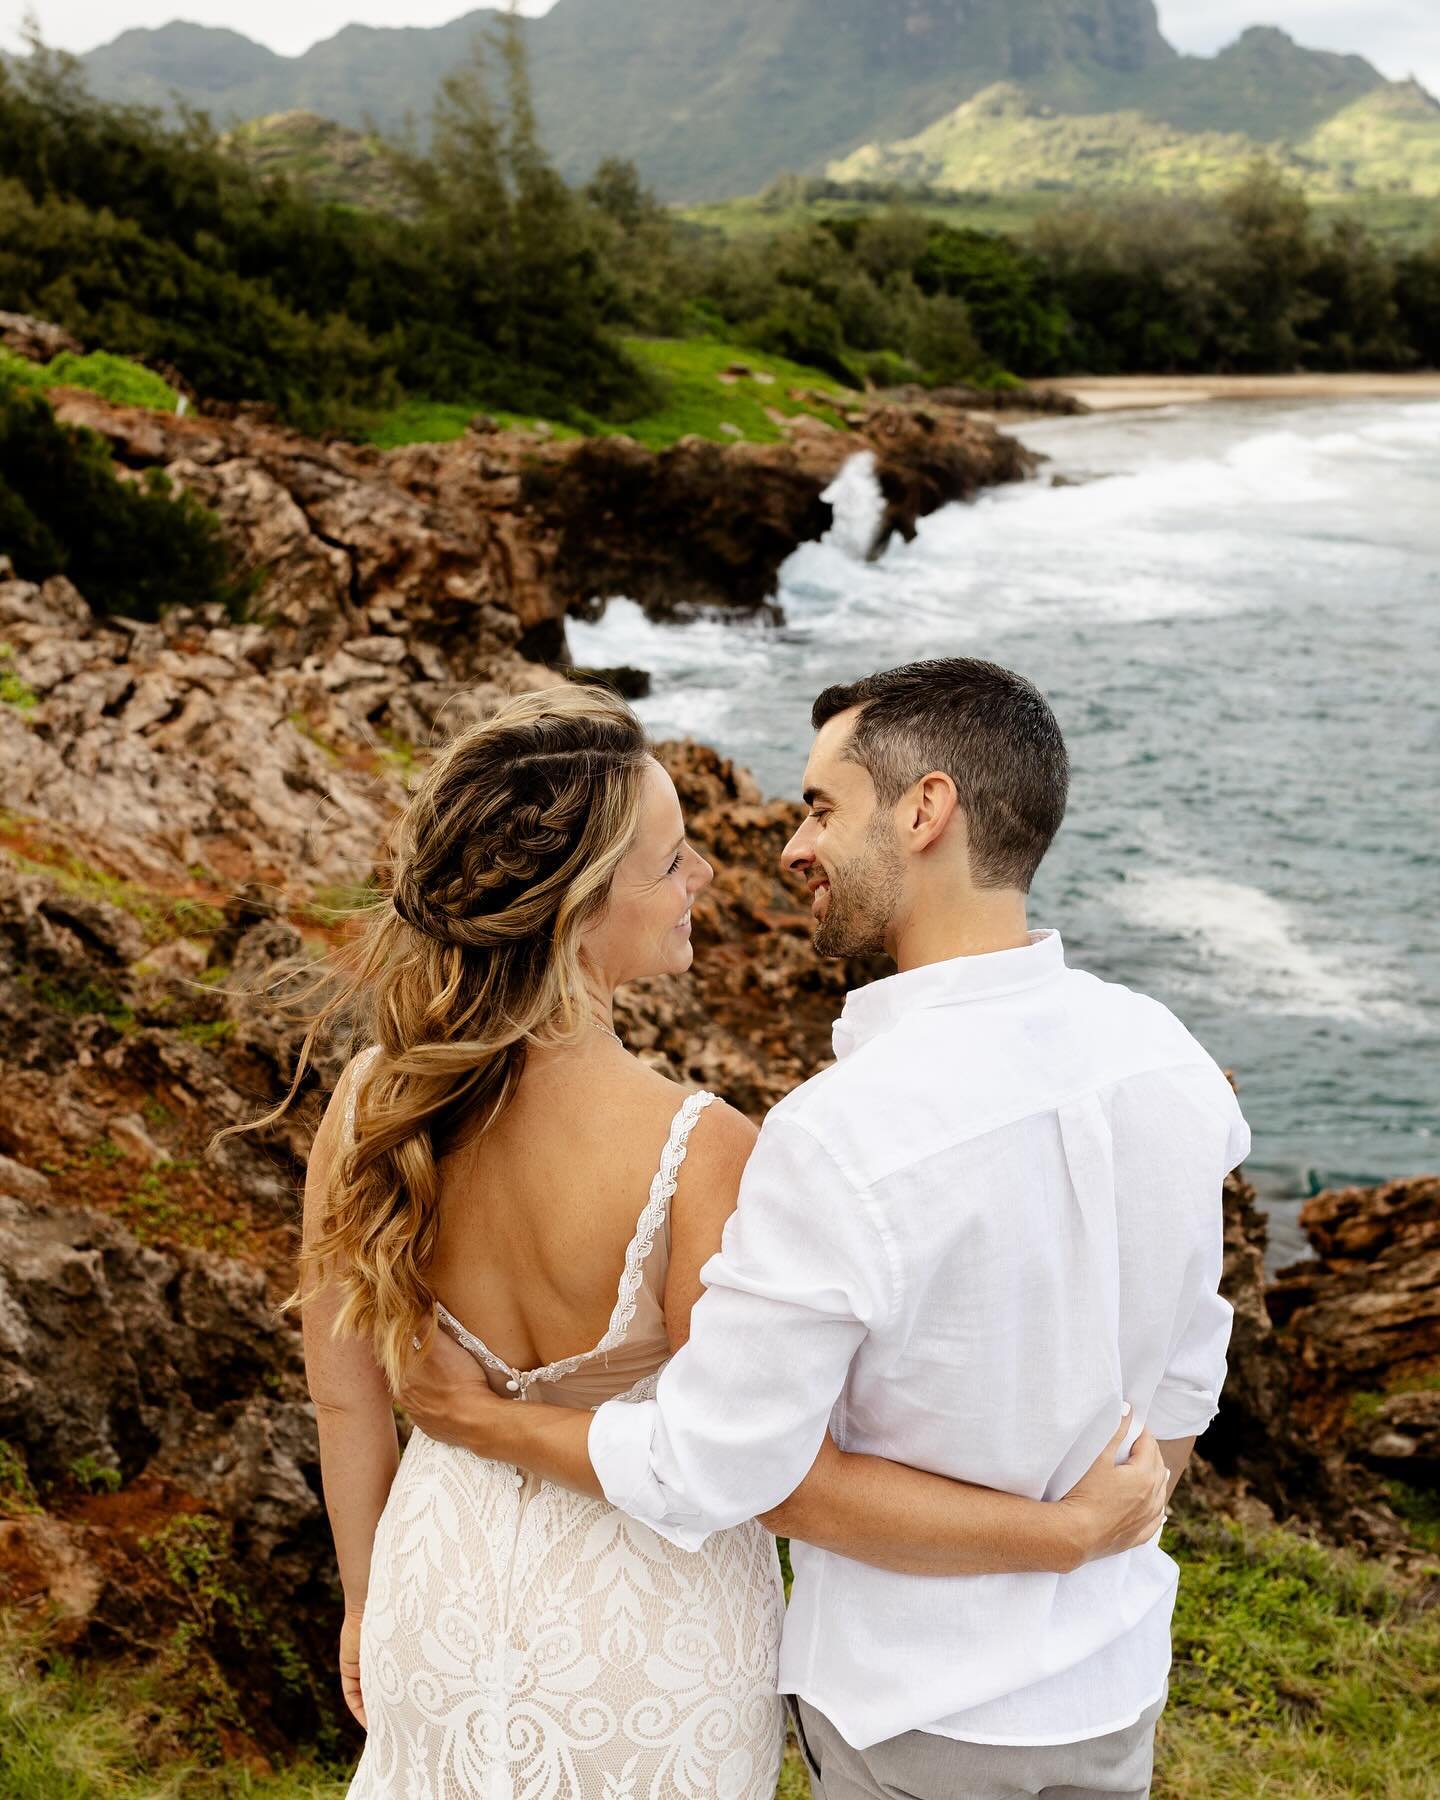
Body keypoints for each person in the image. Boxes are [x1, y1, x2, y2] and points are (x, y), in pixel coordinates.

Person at [278, 683, 1168, 1800]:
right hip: (656, 1619)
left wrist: (368, 1600)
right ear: (581, 909)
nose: (706, 877)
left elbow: (348, 1400)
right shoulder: (703, 1148)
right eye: (672, 861)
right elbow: (760, 1471)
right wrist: (1068, 1529)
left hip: (436, 1589)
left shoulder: (371, 1104)